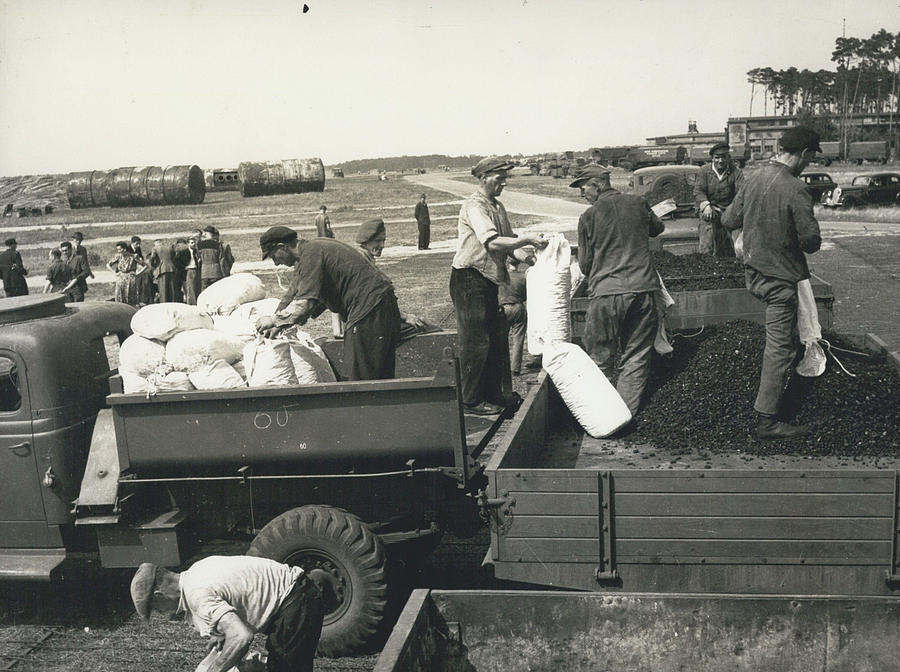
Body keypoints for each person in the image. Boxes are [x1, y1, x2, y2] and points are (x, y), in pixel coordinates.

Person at [722, 126, 822, 440]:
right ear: (804, 154)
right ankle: (767, 420)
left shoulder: (753, 178)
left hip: (755, 273)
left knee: (782, 341)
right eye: (810, 158)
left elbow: (728, 220)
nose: (809, 164)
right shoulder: (796, 188)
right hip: (780, 279)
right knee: (779, 348)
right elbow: (810, 242)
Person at [450, 157, 547, 416]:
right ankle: (470, 402)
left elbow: (509, 241)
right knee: (475, 341)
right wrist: (526, 239)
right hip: (468, 279)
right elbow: (493, 243)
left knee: (494, 339)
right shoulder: (474, 206)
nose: (504, 182)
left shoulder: (497, 206)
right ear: (483, 177)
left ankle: (492, 395)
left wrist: (528, 257)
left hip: (487, 280)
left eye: (506, 178)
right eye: (499, 178)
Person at [569, 164, 665, 416]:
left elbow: (585, 265)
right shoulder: (638, 202)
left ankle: (601, 415)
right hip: (642, 290)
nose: (582, 194)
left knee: (599, 358)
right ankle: (625, 415)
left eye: (583, 188)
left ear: (598, 185)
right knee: (636, 355)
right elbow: (658, 229)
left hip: (605, 294)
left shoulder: (588, 217)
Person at [129, 556, 325, 672]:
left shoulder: (197, 595)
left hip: (296, 601)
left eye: (155, 608)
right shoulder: (196, 571)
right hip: (298, 595)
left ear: (159, 594)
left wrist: (216, 669)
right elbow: (240, 594)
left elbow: (242, 637)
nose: (162, 614)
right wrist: (223, 635)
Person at [256, 226, 402, 381]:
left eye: (274, 257)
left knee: (361, 377)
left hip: (369, 309)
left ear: (282, 247)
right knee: (376, 374)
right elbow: (292, 293)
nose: (276, 263)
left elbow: (305, 304)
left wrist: (273, 321)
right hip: (377, 305)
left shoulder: (311, 254)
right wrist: (278, 322)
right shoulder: (310, 252)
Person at [355, 218, 429, 335]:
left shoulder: (364, 259)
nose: (382, 245)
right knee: (424, 327)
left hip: (372, 320)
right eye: (378, 241)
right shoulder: (362, 264)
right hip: (370, 325)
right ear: (366, 241)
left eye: (383, 241)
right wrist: (404, 317)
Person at [694, 143, 742, 257]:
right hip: (710, 208)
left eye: (724, 157)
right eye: (717, 157)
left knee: (737, 229)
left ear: (728, 157)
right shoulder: (704, 171)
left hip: (729, 209)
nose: (720, 161)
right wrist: (705, 205)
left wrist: (732, 209)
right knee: (707, 225)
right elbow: (699, 191)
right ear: (712, 158)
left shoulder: (736, 172)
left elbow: (741, 192)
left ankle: (737, 258)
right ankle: (705, 258)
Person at [499, 258, 529, 375]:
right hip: (518, 307)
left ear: (507, 262)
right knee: (518, 339)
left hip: (502, 309)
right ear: (519, 263)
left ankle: (502, 367)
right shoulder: (523, 277)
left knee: (501, 339)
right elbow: (527, 295)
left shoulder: (500, 277)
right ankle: (515, 368)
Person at [106, 241, 144, 306]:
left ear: (125, 249)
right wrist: (114, 273)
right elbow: (108, 265)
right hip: (120, 279)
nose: (118, 251)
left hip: (131, 279)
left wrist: (138, 273)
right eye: (117, 249)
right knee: (120, 296)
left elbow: (145, 265)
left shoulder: (134, 256)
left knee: (130, 297)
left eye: (120, 249)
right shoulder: (118, 256)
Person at [178, 236, 202, 305]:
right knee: (191, 289)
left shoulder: (196, 252)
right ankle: (192, 304)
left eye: (194, 242)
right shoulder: (184, 252)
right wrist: (184, 267)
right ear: (188, 244)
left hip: (196, 270)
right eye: (192, 243)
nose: (193, 244)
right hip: (189, 271)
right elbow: (177, 261)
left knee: (197, 288)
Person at [131, 236, 154, 305]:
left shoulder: (138, 248)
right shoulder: (128, 249)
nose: (138, 245)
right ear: (132, 243)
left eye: (139, 244)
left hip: (137, 267)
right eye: (136, 244)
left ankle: (142, 298)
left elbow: (141, 258)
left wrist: (142, 263)